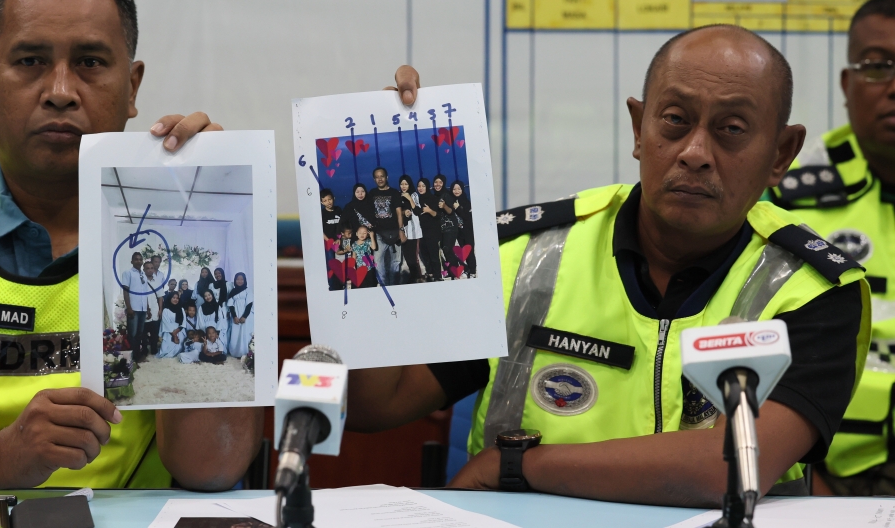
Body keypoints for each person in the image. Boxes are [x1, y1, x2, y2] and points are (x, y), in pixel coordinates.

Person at [350, 29, 871, 505]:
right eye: (675, 120)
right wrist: (388, 170)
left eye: (731, 128)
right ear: (639, 128)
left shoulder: (815, 290)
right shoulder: (522, 255)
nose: (694, 152)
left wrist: (517, 466)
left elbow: (729, 466)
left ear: (781, 153)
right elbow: (376, 404)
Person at [0, 0, 261, 492]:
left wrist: (203, 207)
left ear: (132, 87)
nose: (61, 92)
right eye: (30, 61)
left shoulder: (163, 228)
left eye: (90, 62)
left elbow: (212, 468)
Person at [769, 0, 895, 495]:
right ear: (847, 83)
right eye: (877, 66)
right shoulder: (784, 198)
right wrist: (805, 487)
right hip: (817, 477)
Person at [367, 167, 404, 286]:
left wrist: (401, 230)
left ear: (386, 177)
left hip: (395, 232)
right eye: (377, 177)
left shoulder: (394, 193)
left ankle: (394, 285)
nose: (380, 179)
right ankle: (384, 285)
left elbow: (399, 213)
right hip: (378, 233)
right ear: (374, 179)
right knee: (378, 262)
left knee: (395, 262)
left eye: (382, 176)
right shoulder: (372, 193)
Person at [432, 173, 463, 279]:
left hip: (450, 227)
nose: (437, 184)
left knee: (447, 250)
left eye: (440, 182)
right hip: (441, 228)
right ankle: (452, 271)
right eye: (435, 182)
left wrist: (444, 205)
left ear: (444, 183)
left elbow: (450, 211)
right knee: (445, 250)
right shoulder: (434, 196)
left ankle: (456, 271)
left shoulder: (446, 194)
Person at [121, 252, 149, 363]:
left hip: (143, 308)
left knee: (139, 334)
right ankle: (132, 358)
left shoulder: (143, 275)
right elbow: (125, 291)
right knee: (132, 334)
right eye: (136, 259)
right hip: (133, 308)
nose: (138, 261)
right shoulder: (127, 273)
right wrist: (129, 307)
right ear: (132, 261)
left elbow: (145, 293)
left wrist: (147, 308)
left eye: (140, 259)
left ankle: (137, 356)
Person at [414, 178, 443, 281]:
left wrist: (429, 211)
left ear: (427, 187)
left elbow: (438, 215)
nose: (421, 188)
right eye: (419, 186)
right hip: (421, 231)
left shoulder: (433, 198)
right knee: (425, 254)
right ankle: (430, 273)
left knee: (434, 255)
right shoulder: (417, 200)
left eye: (423, 186)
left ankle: (438, 276)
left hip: (432, 231)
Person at [398, 174, 424, 283]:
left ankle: (417, 277)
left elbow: (418, 211)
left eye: (406, 184)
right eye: (402, 184)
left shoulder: (413, 195)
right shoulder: (398, 196)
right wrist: (404, 212)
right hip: (403, 230)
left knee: (413, 256)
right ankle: (413, 276)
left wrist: (409, 199)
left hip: (413, 231)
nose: (403, 186)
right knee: (407, 255)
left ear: (409, 185)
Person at [449, 180, 476, 278]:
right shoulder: (451, 201)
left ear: (462, 189)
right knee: (464, 252)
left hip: (468, 231)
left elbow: (466, 217)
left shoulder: (466, 202)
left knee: (470, 252)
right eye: (454, 189)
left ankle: (473, 272)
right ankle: (468, 269)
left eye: (459, 189)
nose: (456, 191)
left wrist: (457, 208)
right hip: (459, 232)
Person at [227, 272, 254, 358]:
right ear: (235, 280)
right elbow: (230, 305)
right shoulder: (233, 291)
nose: (239, 281)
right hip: (236, 315)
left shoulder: (248, 290)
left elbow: (249, 304)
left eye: (241, 279)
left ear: (245, 280)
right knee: (235, 333)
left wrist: (244, 316)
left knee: (245, 333)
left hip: (246, 315)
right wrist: (234, 316)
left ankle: (246, 353)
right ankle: (236, 352)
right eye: (237, 279)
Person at [142, 260, 164, 360]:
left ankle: (154, 349)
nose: (150, 270)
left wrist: (160, 309)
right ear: (144, 270)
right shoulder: (140, 281)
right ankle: (144, 351)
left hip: (155, 310)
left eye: (152, 268)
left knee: (155, 333)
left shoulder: (157, 281)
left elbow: (160, 297)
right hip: (144, 310)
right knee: (143, 333)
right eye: (147, 268)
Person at [157, 293, 186, 359]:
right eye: (173, 298)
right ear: (170, 298)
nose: (175, 299)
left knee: (179, 347)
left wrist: (177, 331)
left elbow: (183, 322)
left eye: (177, 298)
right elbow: (165, 323)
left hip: (179, 330)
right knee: (165, 350)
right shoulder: (166, 310)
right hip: (169, 331)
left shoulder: (181, 309)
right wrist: (174, 334)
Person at [350, 225, 378, 289]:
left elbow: (374, 247)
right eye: (360, 233)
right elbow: (354, 255)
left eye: (364, 233)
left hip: (369, 268)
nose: (362, 234)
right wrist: (353, 266)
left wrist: (372, 236)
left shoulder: (368, 241)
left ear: (367, 234)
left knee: (370, 284)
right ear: (356, 234)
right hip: (360, 268)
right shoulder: (354, 244)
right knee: (361, 284)